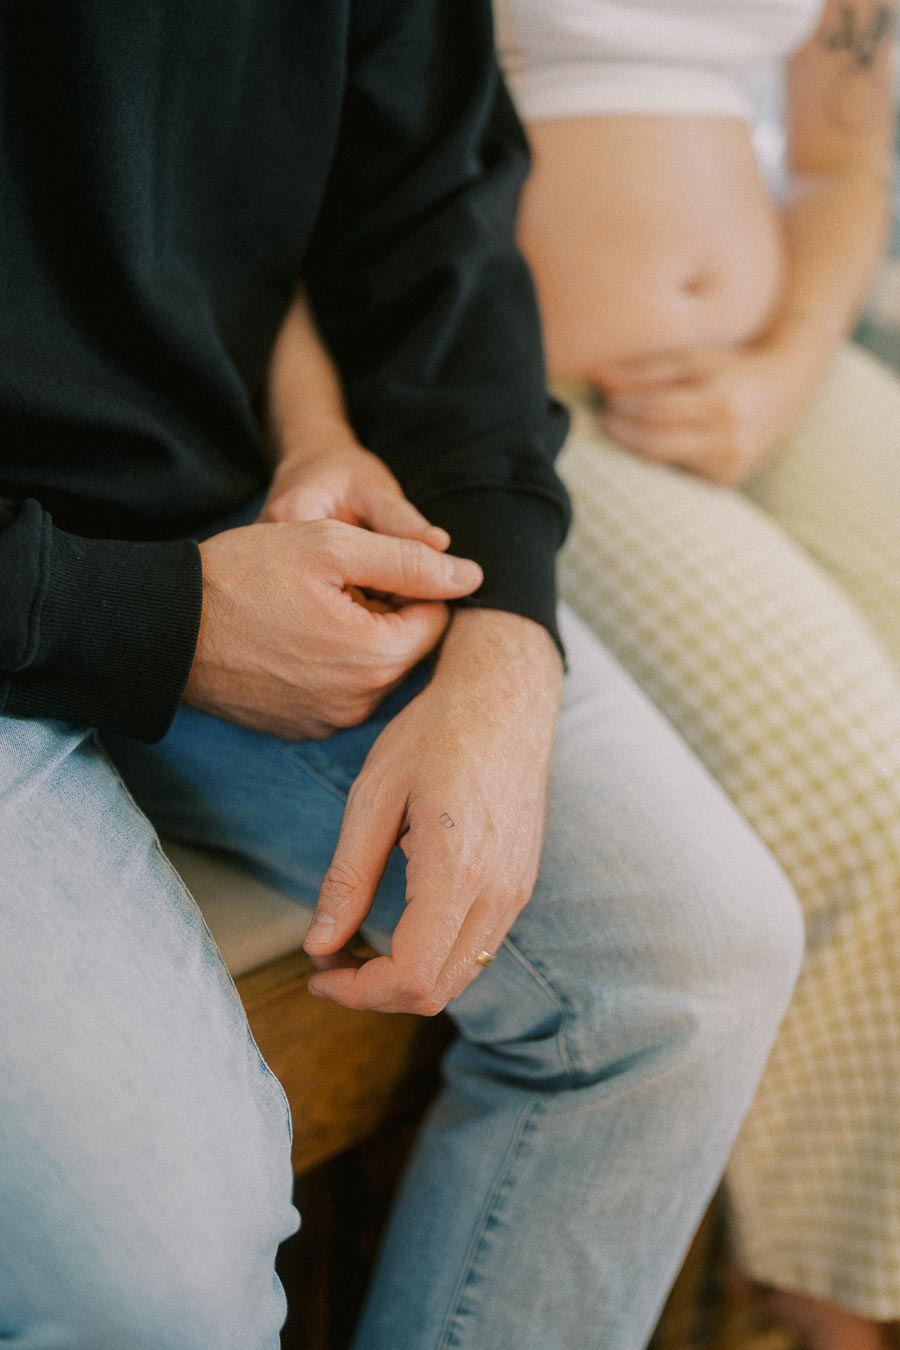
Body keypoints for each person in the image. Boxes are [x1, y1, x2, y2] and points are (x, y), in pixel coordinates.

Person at [0, 5, 804, 1349]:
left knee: (689, 961)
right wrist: (149, 616)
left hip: (236, 511)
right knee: (157, 1289)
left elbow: (420, 218)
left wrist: (505, 627)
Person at [491, 0, 900, 1345]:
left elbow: (840, 159)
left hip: (780, 361)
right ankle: (842, 1310)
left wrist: (781, 370)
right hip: (523, 408)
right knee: (871, 798)